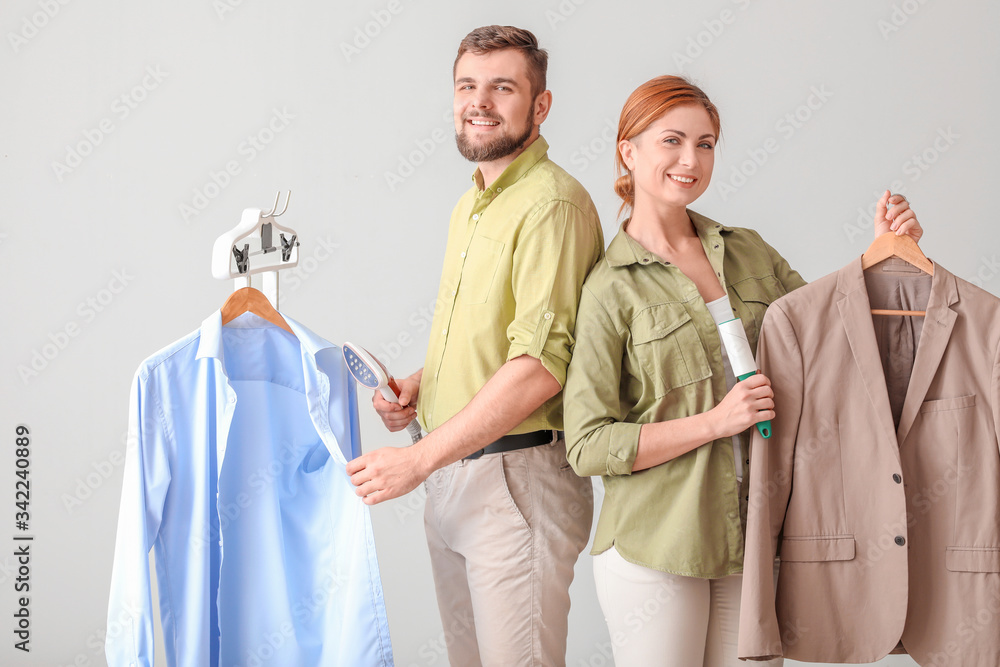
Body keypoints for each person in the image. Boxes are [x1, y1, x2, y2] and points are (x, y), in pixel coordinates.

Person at [562, 75, 922, 666]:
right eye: (672, 140)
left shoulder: (749, 249)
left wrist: (887, 256)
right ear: (629, 150)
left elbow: (838, 340)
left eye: (705, 144)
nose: (690, 159)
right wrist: (715, 422)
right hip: (658, 548)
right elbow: (587, 444)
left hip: (755, 539)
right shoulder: (609, 288)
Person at [345, 25, 604, 666]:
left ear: (540, 106)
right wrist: (420, 383)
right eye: (467, 85)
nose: (478, 102)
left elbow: (541, 367)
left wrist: (418, 459)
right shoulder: (476, 204)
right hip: (457, 474)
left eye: (502, 87)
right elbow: (490, 339)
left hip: (517, 481)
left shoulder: (553, 206)